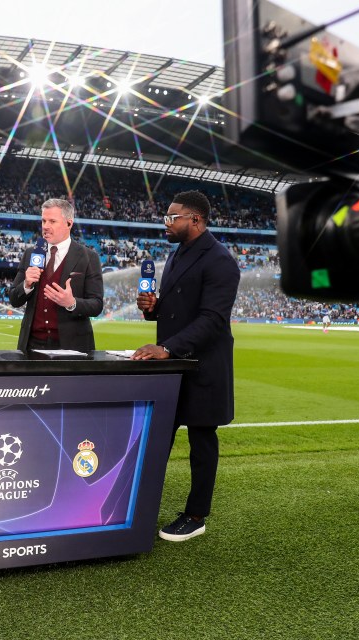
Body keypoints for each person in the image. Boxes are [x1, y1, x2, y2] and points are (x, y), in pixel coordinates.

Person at [131, 190, 240, 542]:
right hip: (175, 365)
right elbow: (179, 310)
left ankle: (196, 515)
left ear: (195, 219)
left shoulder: (220, 260)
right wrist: (153, 308)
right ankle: (139, 507)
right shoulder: (178, 254)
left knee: (202, 440)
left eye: (172, 217)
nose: (166, 222)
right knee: (158, 437)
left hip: (204, 366)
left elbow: (211, 319)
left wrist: (166, 347)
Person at [8, 198, 104, 351]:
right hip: (31, 346)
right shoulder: (30, 254)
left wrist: (71, 303)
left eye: (52, 221)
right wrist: (26, 285)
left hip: (73, 347)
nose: (45, 226)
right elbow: (14, 299)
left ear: (69, 223)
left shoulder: (89, 257)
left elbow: (97, 305)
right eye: (43, 221)